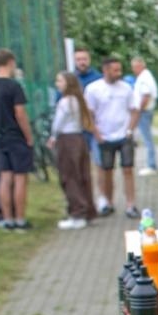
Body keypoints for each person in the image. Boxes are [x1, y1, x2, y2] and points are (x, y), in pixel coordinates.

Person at [0, 48, 36, 231]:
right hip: (16, 137)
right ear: (11, 62)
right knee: (20, 178)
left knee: (4, 177)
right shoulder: (14, 86)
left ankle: (6, 219)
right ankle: (20, 219)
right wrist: (28, 136)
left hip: (0, 138)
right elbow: (20, 114)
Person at [84, 56, 140, 218]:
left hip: (124, 135)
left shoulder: (126, 88)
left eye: (120, 69)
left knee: (128, 169)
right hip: (104, 136)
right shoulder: (93, 89)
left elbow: (135, 110)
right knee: (106, 171)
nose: (119, 73)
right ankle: (108, 202)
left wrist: (130, 130)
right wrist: (97, 133)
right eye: (115, 70)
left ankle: (131, 204)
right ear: (105, 70)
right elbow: (89, 114)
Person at [48, 70, 96, 229]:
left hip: (67, 140)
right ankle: (87, 209)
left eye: (60, 81)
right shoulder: (79, 100)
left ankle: (77, 213)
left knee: (69, 176)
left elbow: (58, 123)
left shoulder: (65, 102)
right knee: (82, 175)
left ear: (68, 83)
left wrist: (53, 137)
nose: (57, 84)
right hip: (79, 139)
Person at [131, 56, 158, 175]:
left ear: (140, 65)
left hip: (144, 111)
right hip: (146, 110)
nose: (133, 69)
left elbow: (145, 95)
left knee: (147, 139)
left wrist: (139, 110)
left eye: (134, 67)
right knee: (146, 138)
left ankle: (151, 165)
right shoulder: (146, 76)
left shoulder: (144, 78)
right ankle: (150, 163)